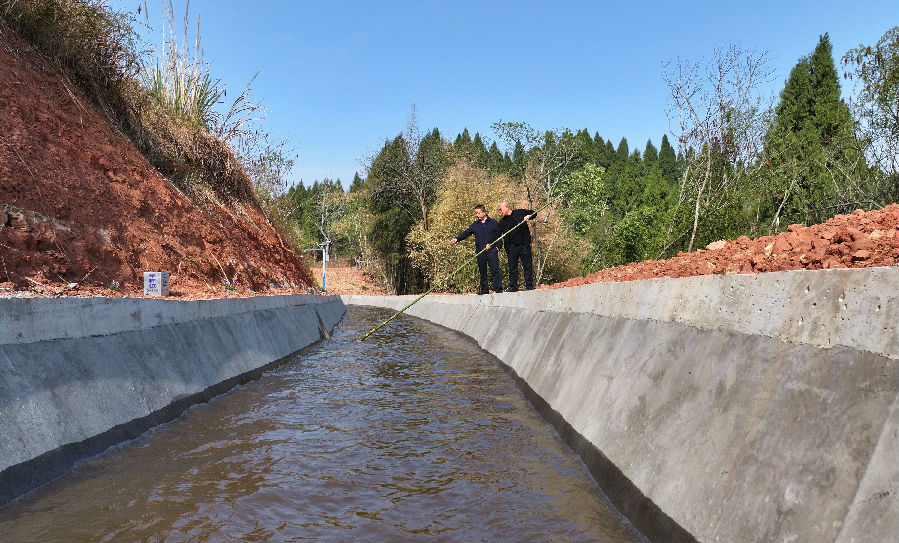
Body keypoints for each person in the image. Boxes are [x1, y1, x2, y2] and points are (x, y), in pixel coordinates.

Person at [451, 204, 503, 295]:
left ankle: (498, 289)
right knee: (482, 271)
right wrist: (457, 239)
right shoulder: (475, 225)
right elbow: (467, 233)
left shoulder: (493, 223)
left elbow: (499, 236)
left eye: (478, 213)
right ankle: (484, 290)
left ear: (484, 212)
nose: (477, 215)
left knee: (494, 270)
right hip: (480, 251)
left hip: (492, 250)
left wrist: (497, 248)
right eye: (476, 213)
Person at [496, 200, 535, 291]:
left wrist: (529, 216)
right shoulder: (502, 222)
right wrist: (489, 243)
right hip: (511, 247)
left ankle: (529, 285)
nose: (500, 212)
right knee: (512, 268)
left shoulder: (520, 213)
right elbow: (496, 234)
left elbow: (534, 213)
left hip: (524, 245)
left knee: (527, 266)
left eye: (500, 209)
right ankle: (513, 286)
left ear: (506, 207)